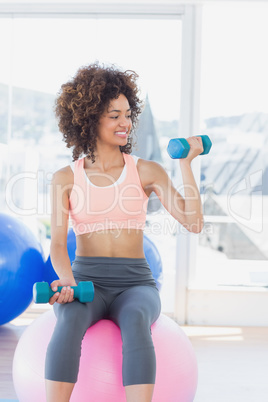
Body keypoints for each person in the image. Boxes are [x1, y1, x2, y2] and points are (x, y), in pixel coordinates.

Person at [45, 62, 204, 402]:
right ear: (89, 119)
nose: (125, 123)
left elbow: (193, 222)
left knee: (135, 319)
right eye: (114, 115)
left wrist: (185, 165)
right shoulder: (65, 178)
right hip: (87, 280)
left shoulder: (146, 170)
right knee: (69, 318)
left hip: (136, 283)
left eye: (128, 114)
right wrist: (69, 282)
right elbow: (57, 245)